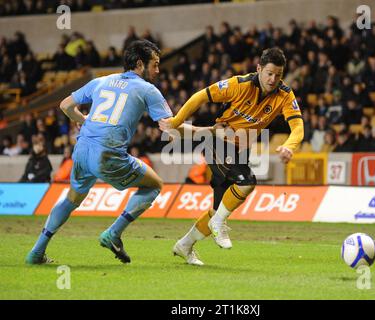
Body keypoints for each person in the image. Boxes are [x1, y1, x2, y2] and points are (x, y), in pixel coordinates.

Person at [26, 40, 173, 265]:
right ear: (140, 64)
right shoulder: (147, 89)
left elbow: (65, 105)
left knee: (71, 199)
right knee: (154, 185)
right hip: (108, 154)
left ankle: (36, 252)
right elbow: (169, 126)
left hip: (82, 151)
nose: (158, 70)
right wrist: (200, 131)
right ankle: (113, 233)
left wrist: (82, 120)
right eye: (155, 64)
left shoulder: (101, 81)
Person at [159, 48, 304, 266]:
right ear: (259, 69)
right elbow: (201, 96)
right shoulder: (239, 84)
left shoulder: (284, 95)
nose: (273, 79)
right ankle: (218, 223)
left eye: (278, 75)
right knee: (247, 182)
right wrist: (177, 121)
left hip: (239, 149)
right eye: (269, 73)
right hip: (218, 142)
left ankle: (184, 245)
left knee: (218, 210)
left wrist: (290, 146)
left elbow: (298, 126)